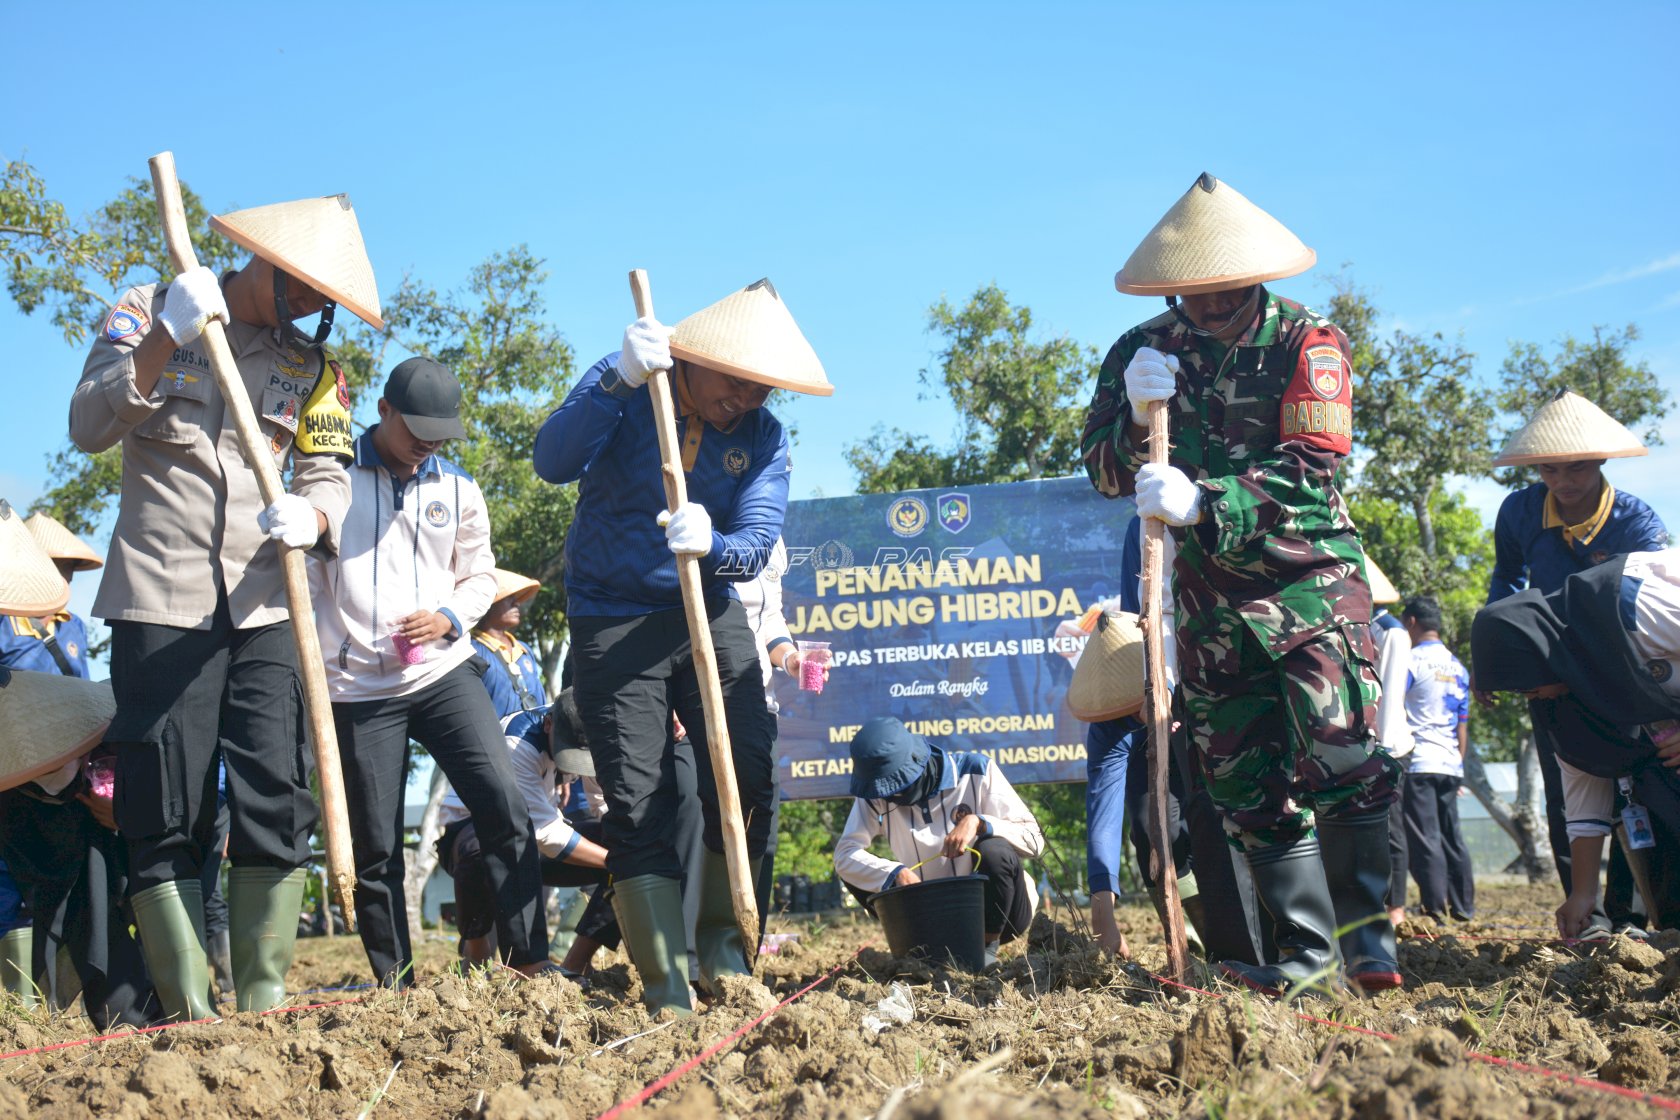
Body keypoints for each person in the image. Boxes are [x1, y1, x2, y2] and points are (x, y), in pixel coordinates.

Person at [1081, 173, 1401, 996]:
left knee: (1343, 751)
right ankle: (1306, 955)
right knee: (1243, 779)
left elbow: (1315, 468)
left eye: (1225, 288)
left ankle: (1368, 945)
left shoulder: (1308, 341)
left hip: (1309, 585)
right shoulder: (1141, 349)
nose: (1210, 302)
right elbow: (1105, 470)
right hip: (1208, 604)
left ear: (1254, 275)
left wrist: (1205, 498)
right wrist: (1127, 410)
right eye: (1195, 289)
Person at [67, 192, 382, 1020]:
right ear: (264, 264)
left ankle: (265, 1001)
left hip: (268, 609)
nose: (316, 308)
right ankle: (189, 1008)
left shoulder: (313, 372)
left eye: (328, 299)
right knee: (163, 805)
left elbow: (329, 473)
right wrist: (170, 330)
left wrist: (314, 515)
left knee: (278, 795)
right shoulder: (144, 311)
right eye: (307, 288)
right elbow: (89, 423)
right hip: (158, 601)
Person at [533, 277, 831, 1015]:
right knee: (638, 803)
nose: (747, 399)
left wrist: (716, 545)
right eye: (735, 382)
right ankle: (665, 983)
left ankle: (727, 954)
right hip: (611, 618)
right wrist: (615, 379)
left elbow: (758, 539)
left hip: (708, 606)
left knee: (749, 773)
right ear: (694, 361)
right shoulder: (632, 383)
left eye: (762, 388)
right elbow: (551, 459)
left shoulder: (763, 437)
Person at [310, 358, 547, 985]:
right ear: (383, 411)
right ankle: (398, 986)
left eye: (439, 435)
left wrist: (449, 616)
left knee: (503, 800)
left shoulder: (459, 490)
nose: (427, 445)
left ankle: (529, 960)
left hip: (442, 673)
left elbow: (480, 575)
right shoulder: (332, 480)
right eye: (416, 429)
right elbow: (305, 581)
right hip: (356, 688)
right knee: (378, 846)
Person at [1483, 390, 1665, 937]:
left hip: (1621, 670)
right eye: (1550, 468)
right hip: (1551, 672)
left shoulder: (1637, 523)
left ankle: (1633, 911)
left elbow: (1645, 606)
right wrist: (1493, 656)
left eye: (1578, 468)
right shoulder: (1518, 511)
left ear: (1602, 461)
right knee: (1566, 793)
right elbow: (1506, 585)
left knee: (1633, 787)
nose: (1564, 482)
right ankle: (1587, 914)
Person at [1071, 516, 1266, 966]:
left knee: (1204, 821)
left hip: (1195, 713)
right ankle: (1190, 935)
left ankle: (1241, 936)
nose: (1127, 714)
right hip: (1158, 719)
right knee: (1150, 831)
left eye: (1135, 703)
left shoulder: (1188, 686)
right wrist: (1103, 913)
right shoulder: (1109, 724)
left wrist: (1170, 706)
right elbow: (1103, 815)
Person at [1472, 548, 1680, 935]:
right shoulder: (1570, 691)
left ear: (1539, 655)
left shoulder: (1636, 608)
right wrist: (1584, 894)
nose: (1532, 697)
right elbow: (1585, 792)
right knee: (1656, 786)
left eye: (1528, 686)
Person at [834, 717, 1045, 963]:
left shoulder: (975, 770)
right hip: (930, 918)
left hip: (1002, 916)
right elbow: (845, 855)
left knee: (994, 850)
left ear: (916, 762)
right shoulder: (875, 793)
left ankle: (985, 953)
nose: (889, 796)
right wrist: (894, 873)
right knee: (857, 871)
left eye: (896, 787)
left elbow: (1035, 840)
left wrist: (980, 823)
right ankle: (917, 945)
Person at [437, 692, 619, 977]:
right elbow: (546, 834)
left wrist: (625, 849)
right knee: (481, 849)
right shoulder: (516, 742)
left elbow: (601, 803)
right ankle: (477, 954)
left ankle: (578, 960)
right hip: (472, 830)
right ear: (548, 724)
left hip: (534, 835)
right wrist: (612, 860)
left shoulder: (596, 730)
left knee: (632, 847)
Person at [1399, 597, 1475, 922]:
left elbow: (1393, 706)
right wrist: (1458, 763)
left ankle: (1434, 908)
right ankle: (1463, 907)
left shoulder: (1410, 661)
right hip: (1449, 762)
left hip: (1419, 761)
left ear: (1412, 622)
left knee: (1424, 837)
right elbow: (1463, 725)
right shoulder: (1457, 667)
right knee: (1451, 835)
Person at [1366, 558, 1414, 927]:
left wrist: (1376, 747)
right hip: (1363, 743)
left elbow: (1390, 692)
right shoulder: (1360, 625)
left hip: (1388, 745)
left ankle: (1396, 907)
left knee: (1391, 829)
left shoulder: (1390, 631)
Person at [471, 569, 550, 719]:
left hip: (534, 738)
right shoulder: (472, 650)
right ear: (488, 604)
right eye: (509, 598)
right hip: (497, 739)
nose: (517, 603)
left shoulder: (524, 650)